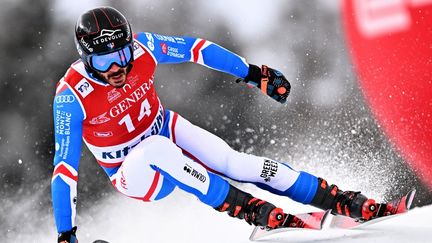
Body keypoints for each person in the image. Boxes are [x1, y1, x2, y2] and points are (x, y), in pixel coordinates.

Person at [53, 7, 384, 243]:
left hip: (165, 130)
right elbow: (65, 170)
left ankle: (345, 201)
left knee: (234, 162)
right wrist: (66, 234)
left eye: (121, 54)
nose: (116, 67)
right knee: (156, 149)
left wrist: (254, 74)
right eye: (102, 61)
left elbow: (197, 49)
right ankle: (256, 212)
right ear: (86, 59)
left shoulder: (143, 48)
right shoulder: (71, 96)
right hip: (133, 173)